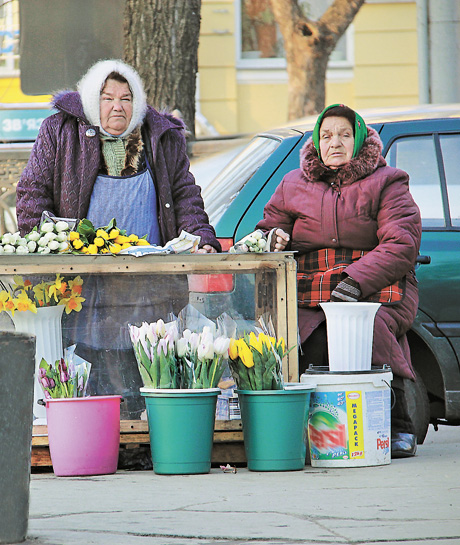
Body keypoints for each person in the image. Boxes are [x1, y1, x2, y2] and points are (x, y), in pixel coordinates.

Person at [16, 59, 221, 419]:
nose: (117, 106)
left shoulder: (161, 136)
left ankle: (142, 439)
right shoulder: (60, 130)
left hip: (149, 283)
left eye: (126, 98)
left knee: (145, 360)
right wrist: (45, 245)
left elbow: (185, 195)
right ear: (92, 101)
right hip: (84, 282)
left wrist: (201, 235)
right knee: (91, 363)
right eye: (107, 97)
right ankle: (97, 433)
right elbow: (32, 192)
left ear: (137, 102)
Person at [257, 104, 422, 458]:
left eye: (345, 135)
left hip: (379, 283)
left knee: (369, 329)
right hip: (311, 287)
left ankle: (398, 424)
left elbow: (401, 243)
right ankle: (307, 429)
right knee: (303, 337)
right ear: (316, 142)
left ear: (358, 140)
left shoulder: (388, 181)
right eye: (327, 135)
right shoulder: (292, 184)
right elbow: (269, 229)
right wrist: (275, 238)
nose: (335, 142)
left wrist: (355, 282)